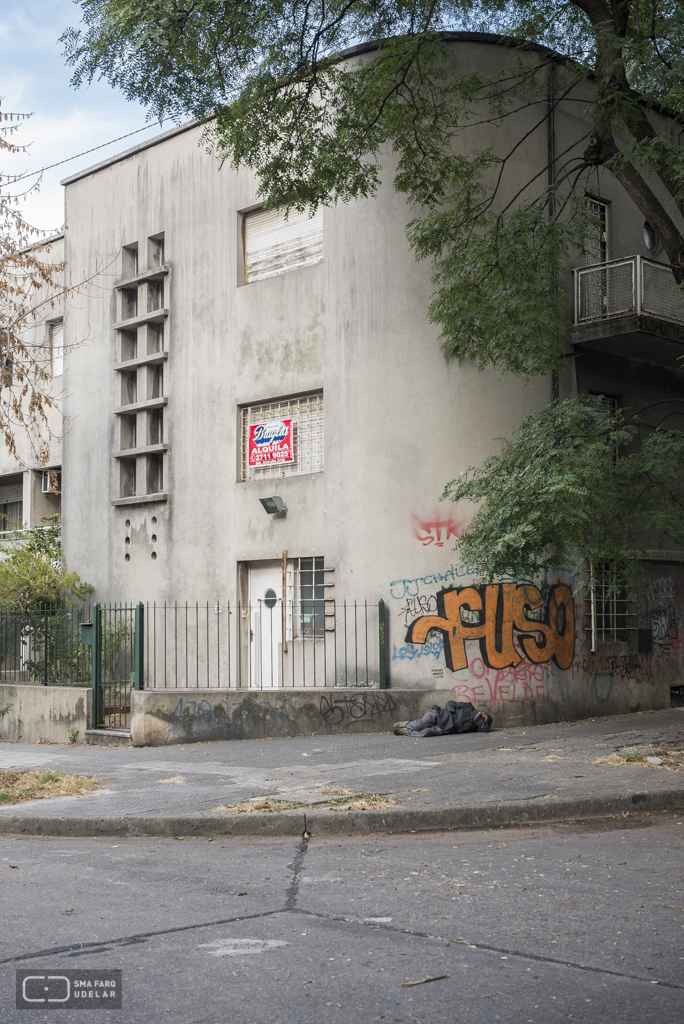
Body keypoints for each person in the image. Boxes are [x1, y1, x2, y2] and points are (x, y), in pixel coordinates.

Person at [393, 701, 493, 737]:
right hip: (438, 715)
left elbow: (485, 729)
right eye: (485, 717)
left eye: (485, 721)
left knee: (424, 733)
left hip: (443, 730)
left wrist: (479, 718)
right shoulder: (469, 707)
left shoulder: (474, 727)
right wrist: (450, 711)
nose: (483, 719)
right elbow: (451, 703)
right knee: (420, 724)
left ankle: (406, 731)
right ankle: (408, 724)